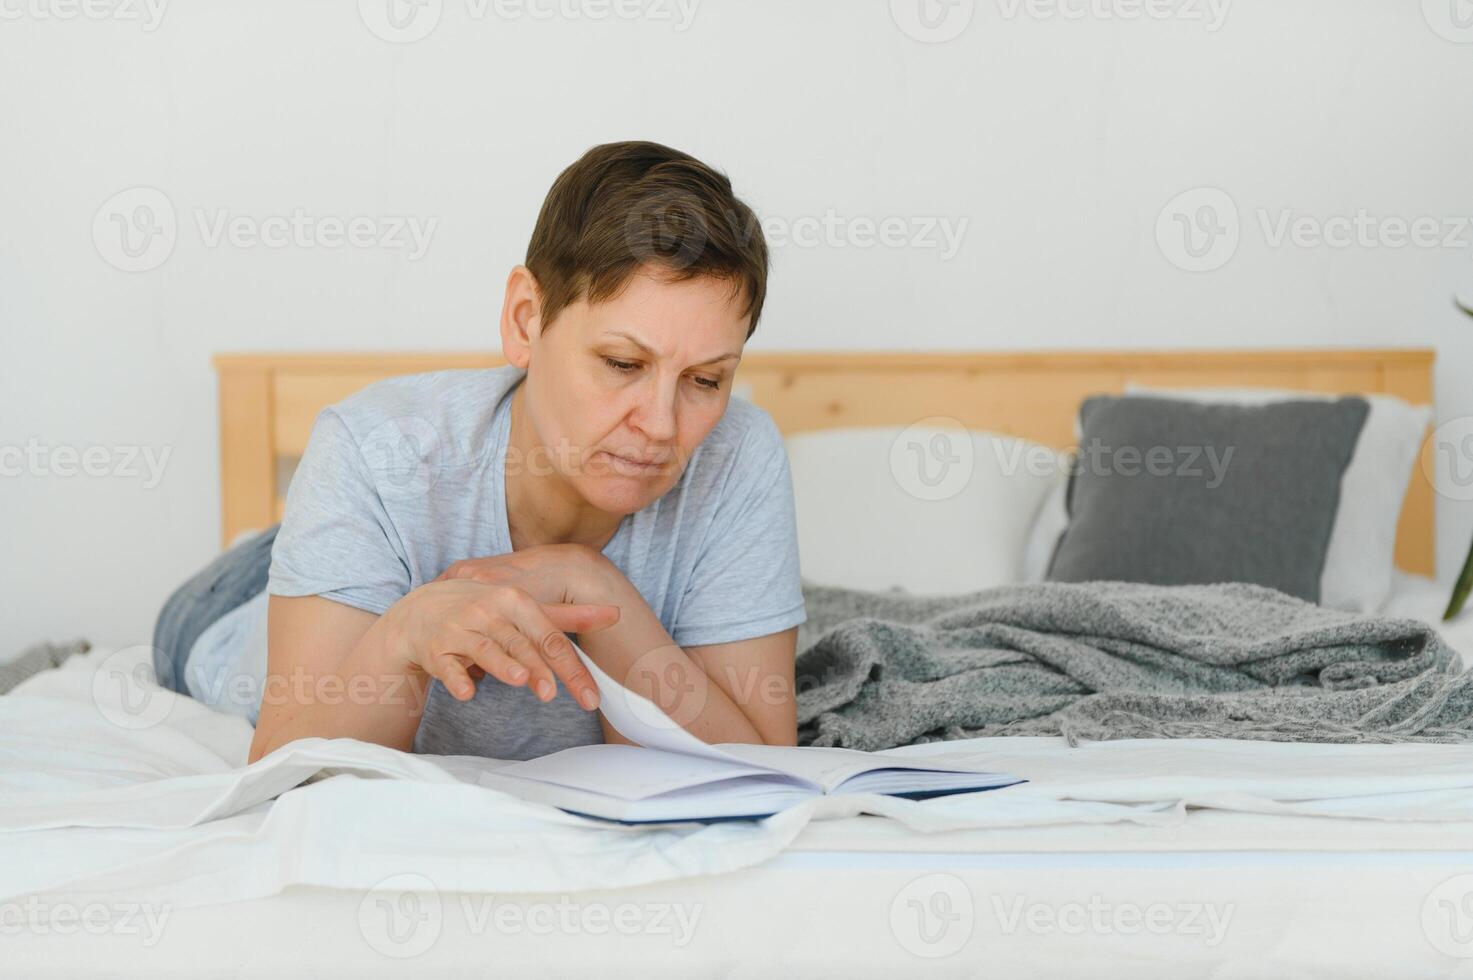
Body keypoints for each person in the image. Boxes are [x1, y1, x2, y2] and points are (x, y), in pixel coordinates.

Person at [152, 140, 807, 765]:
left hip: (391, 526)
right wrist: (403, 636)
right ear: (525, 319)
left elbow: (759, 769)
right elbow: (287, 765)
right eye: (622, 362)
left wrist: (592, 582)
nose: (661, 426)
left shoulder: (736, 455)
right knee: (331, 553)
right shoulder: (372, 450)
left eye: (705, 380)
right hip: (228, 605)